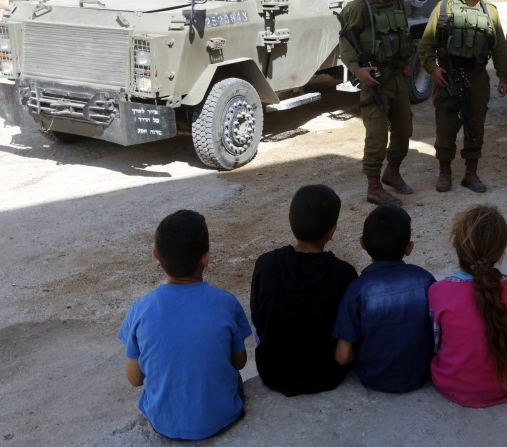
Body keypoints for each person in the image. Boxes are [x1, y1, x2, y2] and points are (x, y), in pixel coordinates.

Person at [117, 210, 252, 440]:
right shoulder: (226, 302)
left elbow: (135, 379)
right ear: (205, 259)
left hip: (164, 423)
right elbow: (239, 362)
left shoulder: (140, 309)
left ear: (155, 255)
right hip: (222, 418)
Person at [249, 184, 358, 396]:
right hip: (328, 375)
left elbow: (258, 319)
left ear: (289, 220)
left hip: (272, 373)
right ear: (332, 231)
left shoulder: (266, 265)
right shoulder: (344, 274)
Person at [418, 0, 507, 193]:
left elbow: (499, 46)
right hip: (448, 75)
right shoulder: (444, 8)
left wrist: (503, 76)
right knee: (446, 126)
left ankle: (471, 174)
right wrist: (433, 68)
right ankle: (445, 173)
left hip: (477, 76)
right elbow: (426, 45)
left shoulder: (490, 12)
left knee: (475, 125)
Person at [428, 205, 507, 407]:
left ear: (456, 242)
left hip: (453, 386)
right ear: (501, 250)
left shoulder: (438, 291)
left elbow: (437, 343)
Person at [338, 0, 415, 206]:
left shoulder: (397, 0)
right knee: (378, 136)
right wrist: (357, 70)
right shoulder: (361, 6)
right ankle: (373, 187)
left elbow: (402, 33)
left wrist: (405, 63)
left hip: (395, 76)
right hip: (374, 83)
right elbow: (345, 42)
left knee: (404, 129)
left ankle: (392, 173)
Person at [333, 205, 436, 393]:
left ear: (362, 243)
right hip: (421, 374)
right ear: (409, 248)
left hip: (374, 378)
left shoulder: (357, 290)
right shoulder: (425, 280)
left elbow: (342, 357)